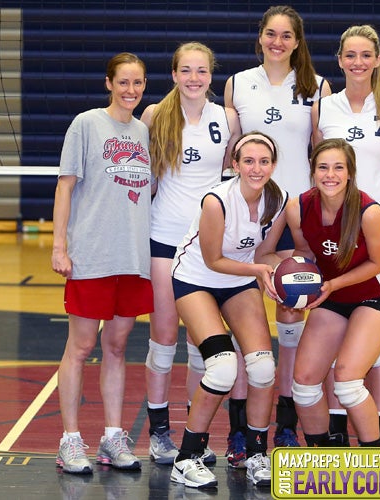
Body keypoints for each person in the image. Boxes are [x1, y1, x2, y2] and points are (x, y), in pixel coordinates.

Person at [223, 4, 331, 459]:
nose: (278, 42)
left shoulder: (316, 87)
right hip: (248, 213)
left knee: (290, 316)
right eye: (271, 33)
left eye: (287, 35)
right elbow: (228, 151)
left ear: (298, 41)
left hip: (298, 214)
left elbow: (328, 149)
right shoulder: (237, 83)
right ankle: (241, 431)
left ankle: (286, 423)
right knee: (244, 327)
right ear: (261, 37)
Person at [139, 41, 241, 466]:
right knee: (164, 338)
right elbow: (143, 180)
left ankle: (191, 435)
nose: (194, 78)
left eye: (201, 71)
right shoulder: (154, 116)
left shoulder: (227, 118)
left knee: (203, 346)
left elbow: (236, 177)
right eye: (186, 70)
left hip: (207, 246)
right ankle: (158, 433)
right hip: (164, 239)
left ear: (211, 75)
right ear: (175, 74)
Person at [51, 52, 152, 474]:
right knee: (81, 346)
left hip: (131, 256)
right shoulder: (87, 123)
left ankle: (113, 437)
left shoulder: (144, 131)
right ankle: (70, 441)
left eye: (138, 83)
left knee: (116, 347)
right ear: (109, 83)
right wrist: (60, 245)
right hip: (92, 254)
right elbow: (65, 186)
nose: (131, 90)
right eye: (124, 82)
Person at [312, 24, 380, 446]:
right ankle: (336, 428)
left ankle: (379, 432)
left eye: (365, 55)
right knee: (336, 329)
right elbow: (317, 164)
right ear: (339, 60)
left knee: (376, 335)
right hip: (334, 233)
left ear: (376, 59)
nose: (358, 62)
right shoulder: (324, 106)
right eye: (350, 55)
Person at [169, 132, 286, 489]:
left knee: (264, 367)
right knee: (222, 369)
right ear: (234, 165)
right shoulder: (216, 201)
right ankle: (186, 458)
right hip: (195, 279)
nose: (256, 168)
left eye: (264, 161)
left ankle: (255, 453)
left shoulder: (276, 199)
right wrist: (258, 271)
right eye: (248, 161)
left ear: (273, 165)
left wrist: (287, 268)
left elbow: (263, 254)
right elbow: (213, 259)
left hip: (237, 280)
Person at [286, 138, 380, 447]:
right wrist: (291, 281)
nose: (330, 175)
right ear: (313, 171)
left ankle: (376, 458)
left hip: (372, 296)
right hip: (331, 297)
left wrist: (333, 283)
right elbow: (304, 251)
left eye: (339, 167)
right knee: (305, 385)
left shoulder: (369, 211)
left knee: (347, 383)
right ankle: (326, 456)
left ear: (350, 173)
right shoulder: (298, 208)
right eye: (323, 167)